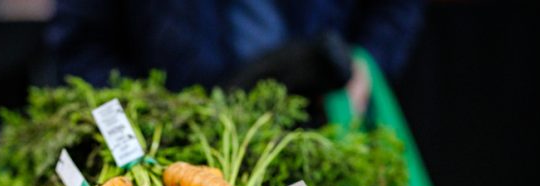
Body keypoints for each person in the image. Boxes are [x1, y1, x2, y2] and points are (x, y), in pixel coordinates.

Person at [46, 0, 424, 114]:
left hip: (318, 114)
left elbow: (394, 10)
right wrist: (144, 112)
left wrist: (368, 59)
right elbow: (82, 42)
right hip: (175, 133)